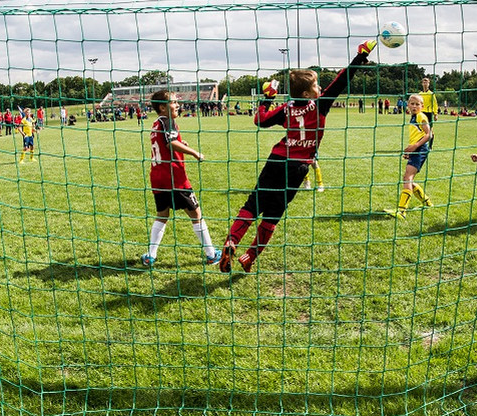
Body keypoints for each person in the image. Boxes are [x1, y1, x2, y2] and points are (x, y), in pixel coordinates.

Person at [219, 40, 377, 274]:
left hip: (276, 161)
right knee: (273, 215)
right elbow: (341, 81)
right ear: (307, 93)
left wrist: (267, 98)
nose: (320, 88)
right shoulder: (319, 105)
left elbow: (260, 121)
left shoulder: (287, 108)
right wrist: (359, 58)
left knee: (252, 205)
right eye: (316, 86)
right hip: (298, 168)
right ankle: (249, 256)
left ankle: (231, 241)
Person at [140, 91, 220, 267]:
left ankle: (151, 255)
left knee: (162, 214)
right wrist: (194, 153)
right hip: (174, 177)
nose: (178, 105)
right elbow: (170, 143)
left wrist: (181, 145)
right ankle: (211, 254)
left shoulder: (156, 123)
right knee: (196, 214)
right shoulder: (169, 121)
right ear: (162, 107)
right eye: (174, 102)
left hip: (158, 177)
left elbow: (165, 144)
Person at [389, 94, 434, 219]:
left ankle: (402, 211)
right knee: (408, 178)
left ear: (422, 106)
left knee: (407, 177)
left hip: (420, 149)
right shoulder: (413, 117)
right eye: (412, 104)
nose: (414, 106)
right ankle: (427, 202)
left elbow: (429, 134)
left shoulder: (420, 116)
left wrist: (415, 147)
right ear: (407, 105)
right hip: (416, 149)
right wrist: (410, 150)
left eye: (417, 104)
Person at [419, 76, 438, 147]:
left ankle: (430, 146)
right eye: (424, 82)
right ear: (422, 83)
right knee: (421, 130)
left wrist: (435, 114)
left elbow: (435, 104)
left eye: (426, 82)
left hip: (429, 113)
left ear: (429, 84)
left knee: (430, 130)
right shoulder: (420, 94)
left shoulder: (431, 94)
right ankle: (422, 145)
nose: (425, 83)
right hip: (421, 113)